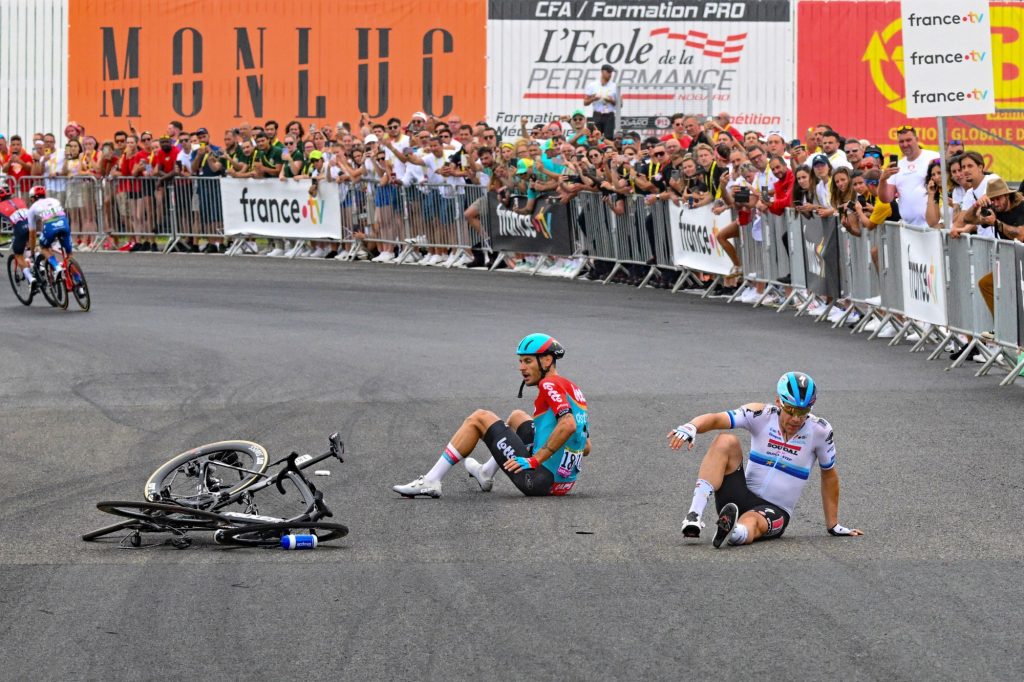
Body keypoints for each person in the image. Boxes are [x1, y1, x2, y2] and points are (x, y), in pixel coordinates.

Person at [668, 372, 862, 547]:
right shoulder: (761, 415)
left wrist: (833, 525)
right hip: (739, 496)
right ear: (779, 402)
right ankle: (694, 515)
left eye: (803, 413)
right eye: (791, 410)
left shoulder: (820, 431)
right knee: (725, 440)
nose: (796, 419)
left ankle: (733, 531)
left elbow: (829, 475)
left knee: (752, 522)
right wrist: (691, 427)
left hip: (775, 509)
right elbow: (717, 419)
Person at [392, 334, 591, 498]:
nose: (521, 367)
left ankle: (432, 480)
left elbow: (568, 425)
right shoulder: (573, 389)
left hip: (537, 481)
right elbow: (586, 446)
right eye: (520, 361)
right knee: (517, 417)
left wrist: (534, 460)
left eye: (528, 361)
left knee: (479, 418)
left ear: (547, 360)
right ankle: (485, 473)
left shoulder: (549, 385)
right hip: (562, 484)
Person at [877, 125, 940, 227]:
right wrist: (883, 180)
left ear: (917, 139)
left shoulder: (934, 157)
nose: (905, 144)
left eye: (908, 140)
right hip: (908, 227)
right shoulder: (897, 166)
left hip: (934, 226)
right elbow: (886, 198)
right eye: (901, 142)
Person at [26, 185, 74, 277]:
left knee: (43, 247)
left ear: (32, 198)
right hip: (64, 223)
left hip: (50, 226)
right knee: (69, 255)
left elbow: (32, 234)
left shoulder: (32, 209)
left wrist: (32, 252)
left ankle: (56, 267)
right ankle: (79, 283)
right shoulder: (54, 200)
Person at [0, 182, 36, 285]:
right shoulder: (19, 200)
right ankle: (40, 265)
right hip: (31, 225)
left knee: (18, 254)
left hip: (20, 229)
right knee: (32, 244)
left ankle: (31, 278)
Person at [583, 64, 618, 139]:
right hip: (597, 115)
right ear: (602, 72)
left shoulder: (614, 86)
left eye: (611, 72)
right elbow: (585, 102)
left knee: (608, 138)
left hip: (609, 116)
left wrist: (610, 100)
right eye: (608, 72)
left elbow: (620, 104)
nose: (610, 74)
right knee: (595, 137)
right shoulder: (592, 85)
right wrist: (593, 99)